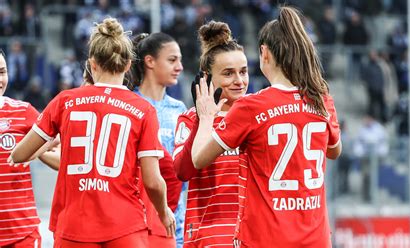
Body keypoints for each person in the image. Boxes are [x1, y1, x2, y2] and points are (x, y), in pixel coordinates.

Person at [10, 18, 175, 247]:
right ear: (128, 64)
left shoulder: (64, 101)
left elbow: (19, 155)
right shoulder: (142, 109)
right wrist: (164, 211)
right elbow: (153, 181)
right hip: (125, 226)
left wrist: (50, 142)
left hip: (74, 227)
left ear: (92, 63)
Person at [191, 7, 342, 247]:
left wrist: (206, 118)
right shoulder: (321, 99)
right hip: (316, 238)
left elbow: (198, 160)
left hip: (265, 237)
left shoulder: (251, 107)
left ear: (264, 52)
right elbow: (334, 150)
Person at [172, 20, 248, 247]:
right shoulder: (190, 119)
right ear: (207, 76)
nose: (239, 81)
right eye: (228, 73)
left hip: (253, 232)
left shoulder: (259, 116)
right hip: (209, 234)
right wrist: (203, 120)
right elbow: (182, 171)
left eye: (243, 72)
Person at [129, 32, 186, 247]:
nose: (179, 67)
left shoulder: (180, 109)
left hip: (174, 220)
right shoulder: (129, 105)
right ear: (150, 61)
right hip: (138, 218)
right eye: (172, 60)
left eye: (179, 60)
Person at [0, 48, 50, 247]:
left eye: (2, 72)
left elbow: (57, 139)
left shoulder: (23, 112)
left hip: (22, 235)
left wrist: (35, 153)